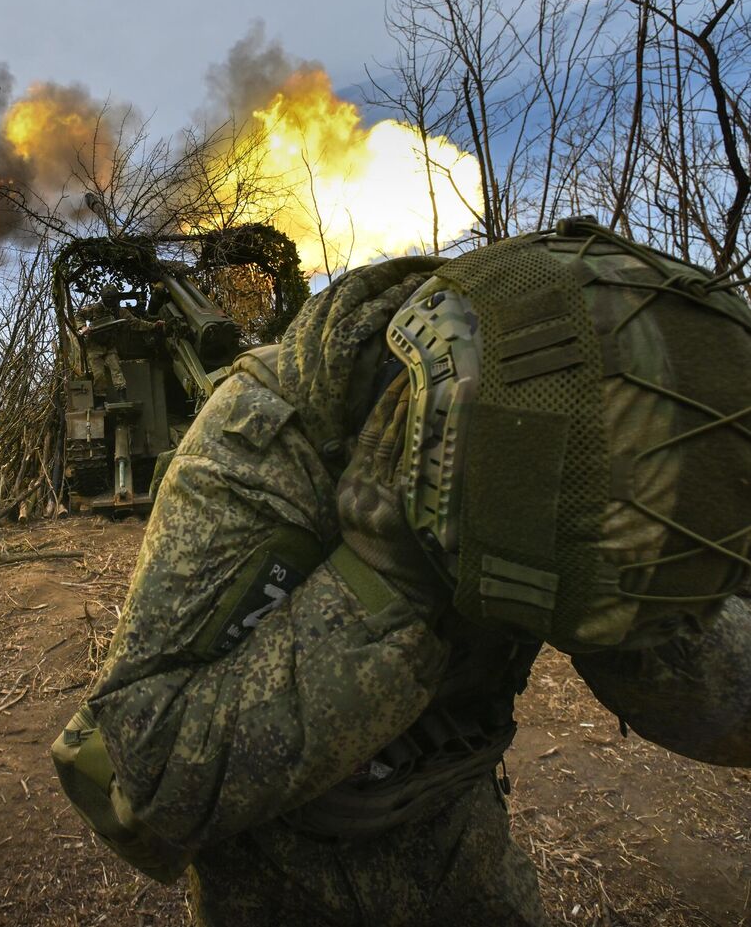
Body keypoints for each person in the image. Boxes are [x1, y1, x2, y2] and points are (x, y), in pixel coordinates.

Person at [55, 219, 751, 925]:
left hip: (459, 836)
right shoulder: (262, 441)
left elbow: (707, 692)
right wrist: (385, 585)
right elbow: (134, 779)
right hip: (277, 875)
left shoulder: (583, 422)